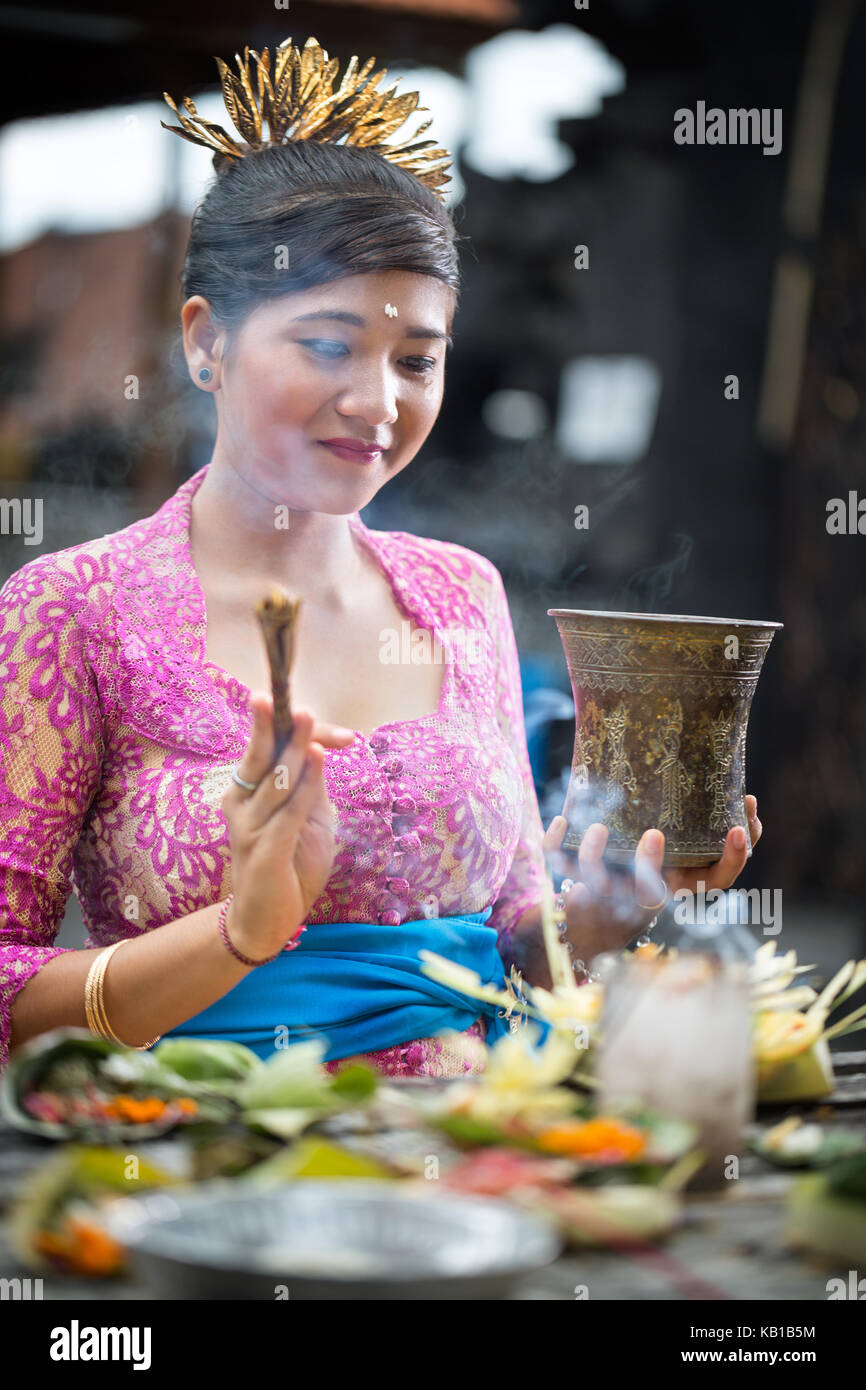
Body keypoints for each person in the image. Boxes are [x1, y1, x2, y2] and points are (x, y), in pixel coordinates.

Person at [0, 36, 761, 1077]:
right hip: (199, 1162)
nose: (377, 402)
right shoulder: (72, 609)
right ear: (205, 341)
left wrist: (595, 921)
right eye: (325, 344)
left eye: (416, 360)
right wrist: (234, 933)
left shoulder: (460, 592)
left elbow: (504, 943)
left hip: (484, 1154)